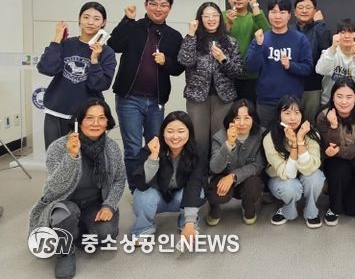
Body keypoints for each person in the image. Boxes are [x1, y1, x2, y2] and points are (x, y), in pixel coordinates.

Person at [29, 98, 125, 279]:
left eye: (101, 118)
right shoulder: (59, 147)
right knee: (66, 214)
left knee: (105, 235)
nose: (96, 123)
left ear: (107, 122)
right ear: (79, 121)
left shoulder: (111, 147)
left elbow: (119, 180)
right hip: (64, 202)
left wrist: (109, 205)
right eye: (89, 118)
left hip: (94, 203)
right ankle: (65, 252)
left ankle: (77, 231)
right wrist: (71, 157)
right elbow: (53, 189)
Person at [108, 0, 184, 191]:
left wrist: (166, 61)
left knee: (156, 145)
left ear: (170, 8)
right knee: (133, 148)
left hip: (156, 101)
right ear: (145, 5)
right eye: (153, 4)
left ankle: (151, 185)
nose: (158, 9)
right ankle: (136, 189)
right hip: (129, 98)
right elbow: (114, 44)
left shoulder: (174, 36)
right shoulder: (134, 26)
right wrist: (127, 20)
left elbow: (178, 68)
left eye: (163, 5)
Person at [37, 2, 116, 149]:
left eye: (96, 19)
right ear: (79, 19)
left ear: (103, 22)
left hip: (87, 117)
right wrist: (57, 39)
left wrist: (94, 60)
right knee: (54, 156)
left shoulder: (107, 52)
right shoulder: (66, 44)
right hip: (56, 111)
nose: (90, 22)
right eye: (86, 17)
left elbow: (99, 85)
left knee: (86, 158)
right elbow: (46, 68)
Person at [178, 2, 242, 161]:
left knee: (220, 140)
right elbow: (185, 61)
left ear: (220, 18)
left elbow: (237, 72)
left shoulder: (230, 42)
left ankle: (217, 174)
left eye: (214, 15)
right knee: (199, 141)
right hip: (197, 98)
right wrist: (191, 35)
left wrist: (223, 59)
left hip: (223, 99)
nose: (211, 19)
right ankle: (198, 174)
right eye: (206, 16)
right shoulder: (192, 39)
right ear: (200, 19)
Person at [130, 111, 205, 244]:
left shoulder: (197, 150)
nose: (175, 136)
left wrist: (190, 222)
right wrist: (153, 157)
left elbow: (194, 184)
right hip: (156, 196)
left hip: (180, 197)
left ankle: (186, 223)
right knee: (142, 196)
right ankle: (143, 229)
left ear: (189, 132)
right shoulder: (152, 147)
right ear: (163, 132)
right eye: (170, 131)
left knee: (199, 191)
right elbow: (140, 184)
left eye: (181, 131)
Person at [245, 0, 313, 127]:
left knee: (290, 138)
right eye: (273, 12)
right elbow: (250, 67)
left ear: (289, 15)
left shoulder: (300, 39)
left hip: (291, 104)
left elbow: (307, 69)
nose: (277, 16)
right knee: (265, 136)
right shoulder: (261, 38)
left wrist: (290, 65)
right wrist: (258, 45)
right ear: (268, 14)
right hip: (265, 102)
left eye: (282, 12)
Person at [316, 78, 355, 225]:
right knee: (338, 168)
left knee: (353, 209)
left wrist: (338, 151)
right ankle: (334, 207)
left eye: (349, 97)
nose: (344, 102)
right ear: (332, 97)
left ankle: (337, 189)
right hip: (336, 163)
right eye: (339, 96)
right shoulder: (323, 116)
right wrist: (334, 126)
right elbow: (329, 146)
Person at [263, 96, 325, 228]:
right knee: (291, 187)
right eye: (287, 113)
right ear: (279, 115)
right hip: (281, 177)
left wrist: (300, 140)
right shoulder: (270, 138)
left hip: (304, 173)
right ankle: (287, 209)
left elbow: (309, 169)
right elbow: (289, 174)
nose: (293, 118)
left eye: (297, 113)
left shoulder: (312, 134)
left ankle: (311, 211)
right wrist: (294, 146)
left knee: (316, 177)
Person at [206, 99, 265, 226]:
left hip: (247, 179)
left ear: (253, 119)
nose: (242, 123)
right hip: (222, 177)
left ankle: (248, 205)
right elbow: (214, 168)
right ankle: (214, 207)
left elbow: (258, 165)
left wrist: (233, 176)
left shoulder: (261, 135)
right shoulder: (219, 137)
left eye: (247, 118)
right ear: (231, 120)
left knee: (254, 186)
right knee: (216, 193)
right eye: (237, 118)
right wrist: (229, 144)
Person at [224, 0, 270, 102]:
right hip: (226, 75)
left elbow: (268, 34)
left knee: (249, 110)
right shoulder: (222, 16)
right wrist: (228, 24)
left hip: (251, 75)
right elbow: (217, 40)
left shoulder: (255, 17)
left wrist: (255, 6)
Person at [315, 19, 355, 105]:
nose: (347, 36)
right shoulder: (330, 52)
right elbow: (320, 70)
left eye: (351, 32)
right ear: (336, 35)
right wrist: (332, 49)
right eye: (343, 32)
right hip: (329, 102)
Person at [294, 0, 332, 123]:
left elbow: (327, 49)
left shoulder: (320, 28)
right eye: (300, 7)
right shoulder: (289, 29)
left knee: (310, 123)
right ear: (294, 12)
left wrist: (320, 23)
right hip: (291, 84)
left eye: (308, 7)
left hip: (313, 86)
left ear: (315, 11)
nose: (304, 10)